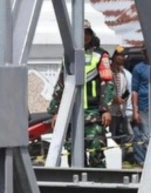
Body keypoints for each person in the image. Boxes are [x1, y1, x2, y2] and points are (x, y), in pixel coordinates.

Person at [47, 21, 116, 168]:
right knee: (73, 153)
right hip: (72, 114)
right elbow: (61, 84)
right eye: (81, 33)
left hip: (94, 113)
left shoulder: (100, 55)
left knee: (97, 150)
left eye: (87, 32)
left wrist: (106, 110)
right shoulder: (68, 57)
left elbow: (107, 83)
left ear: (91, 35)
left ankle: (98, 186)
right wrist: (56, 112)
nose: (84, 36)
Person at [130, 48, 151, 165]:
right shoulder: (139, 68)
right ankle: (144, 160)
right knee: (144, 134)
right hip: (143, 106)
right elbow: (134, 91)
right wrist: (135, 111)